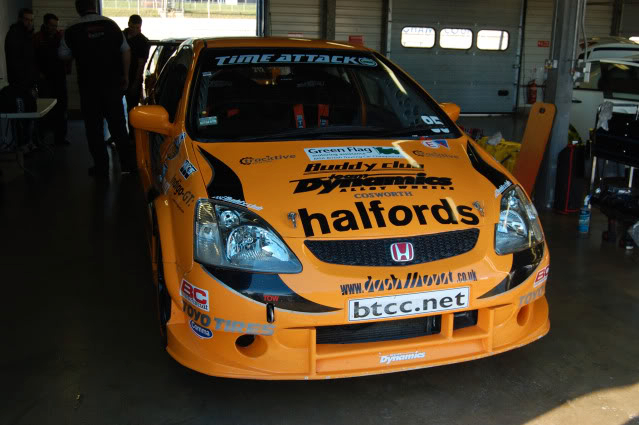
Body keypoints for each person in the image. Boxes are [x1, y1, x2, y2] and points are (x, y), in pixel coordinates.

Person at [59, 0, 135, 179]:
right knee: (118, 126)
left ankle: (101, 168)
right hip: (112, 85)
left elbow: (62, 54)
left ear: (78, 9)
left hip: (88, 87)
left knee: (93, 128)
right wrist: (126, 75)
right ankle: (127, 166)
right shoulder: (111, 25)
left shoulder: (71, 29)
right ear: (94, 6)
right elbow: (126, 50)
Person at [4, 8, 38, 153]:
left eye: (31, 20)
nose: (29, 23)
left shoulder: (26, 35)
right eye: (26, 19)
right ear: (20, 19)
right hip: (20, 85)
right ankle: (23, 144)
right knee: (22, 115)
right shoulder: (15, 35)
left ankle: (28, 142)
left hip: (27, 83)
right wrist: (24, 82)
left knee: (29, 113)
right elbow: (16, 62)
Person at [34, 13, 69, 146]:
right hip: (45, 79)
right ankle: (41, 137)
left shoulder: (59, 37)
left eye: (56, 25)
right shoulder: (37, 38)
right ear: (45, 24)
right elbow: (33, 59)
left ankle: (60, 137)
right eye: (52, 25)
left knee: (61, 108)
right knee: (44, 109)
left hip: (59, 78)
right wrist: (38, 74)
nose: (54, 28)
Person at [123, 14, 150, 135]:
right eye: (133, 27)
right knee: (116, 109)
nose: (135, 30)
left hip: (133, 77)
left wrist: (135, 83)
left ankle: (131, 136)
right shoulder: (121, 36)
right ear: (129, 25)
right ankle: (119, 135)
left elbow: (141, 65)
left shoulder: (142, 41)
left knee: (131, 109)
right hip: (121, 76)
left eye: (138, 28)